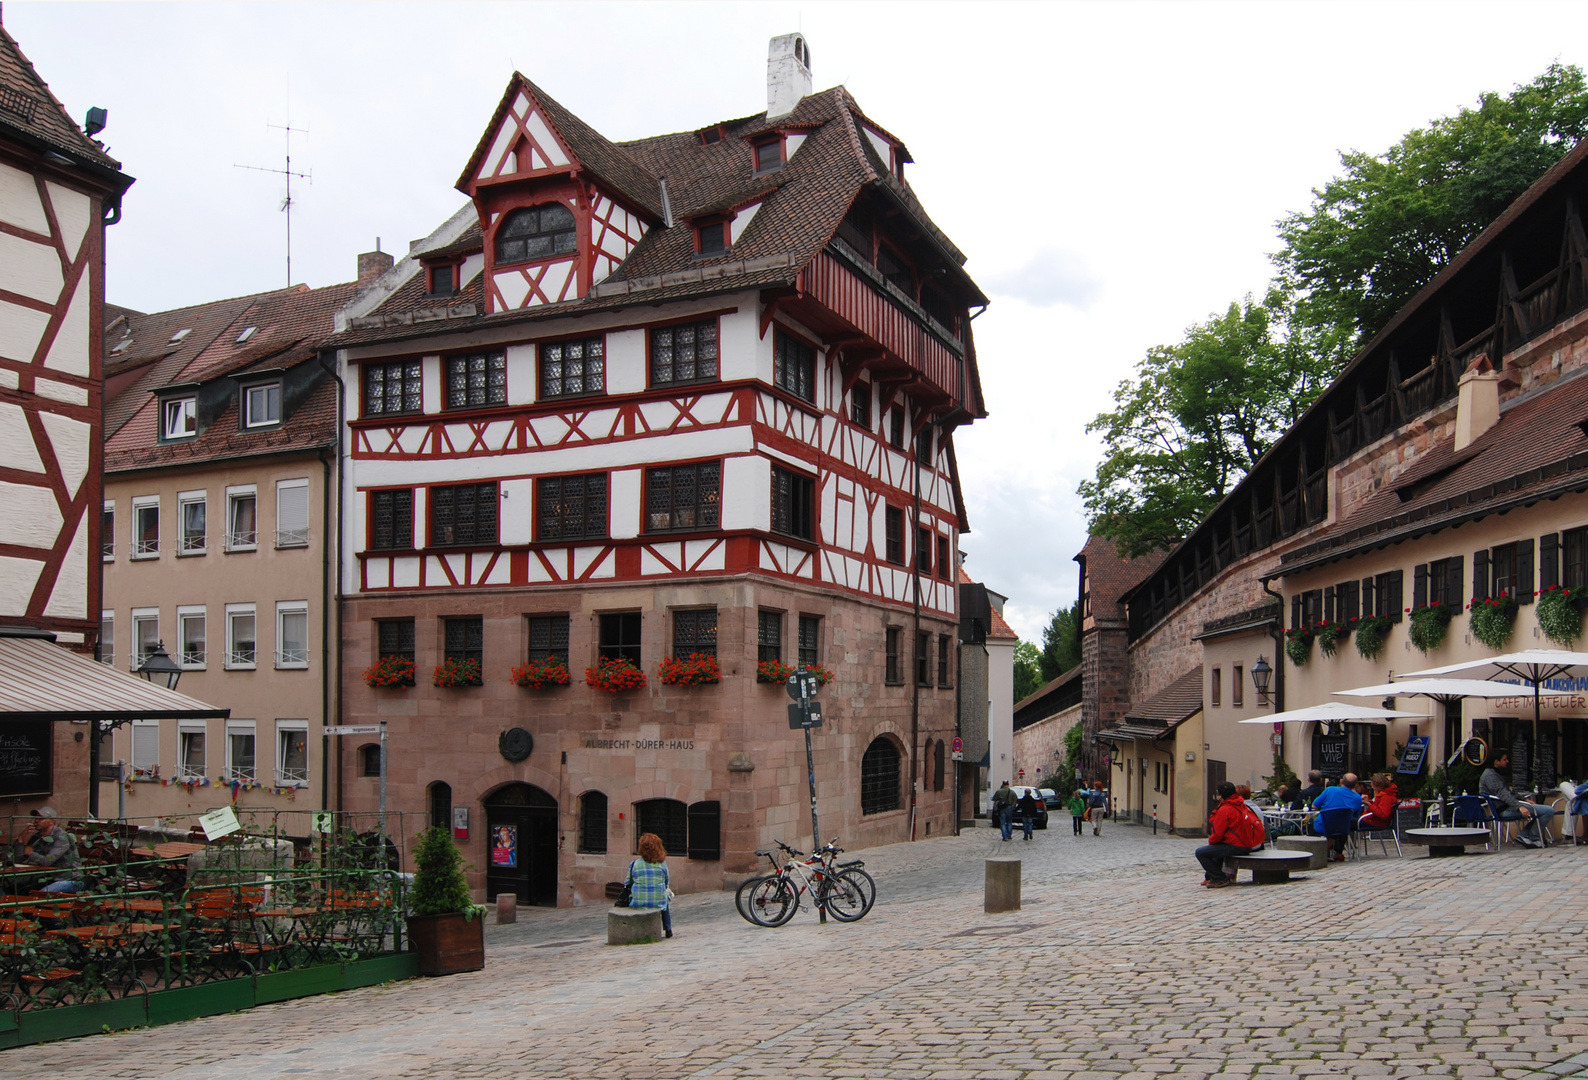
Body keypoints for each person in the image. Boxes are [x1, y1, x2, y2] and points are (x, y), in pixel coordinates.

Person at [1196, 781, 1265, 888]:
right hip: (1247, 844)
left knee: (1201, 852)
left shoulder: (1225, 809)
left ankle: (1220, 878)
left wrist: (1212, 843)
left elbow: (1218, 834)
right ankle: (1211, 877)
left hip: (1237, 845)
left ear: (1221, 795)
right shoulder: (1241, 804)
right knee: (1216, 850)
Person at [1481, 752, 1556, 848]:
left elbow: (1509, 792)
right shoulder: (1490, 776)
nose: (1507, 761)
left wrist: (1524, 799)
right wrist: (1520, 806)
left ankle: (1526, 836)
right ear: (1496, 762)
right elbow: (1503, 794)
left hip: (1508, 807)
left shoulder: (1494, 774)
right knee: (1548, 811)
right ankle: (1530, 836)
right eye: (1504, 759)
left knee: (1542, 810)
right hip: (1504, 810)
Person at [7, 807, 81, 893]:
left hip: (68, 879)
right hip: (48, 879)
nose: (36, 820)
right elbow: (18, 859)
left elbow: (47, 861)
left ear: (52, 821)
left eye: (41, 818)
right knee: (15, 889)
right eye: (36, 818)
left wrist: (31, 853)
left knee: (41, 894)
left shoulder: (62, 837)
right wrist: (21, 838)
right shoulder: (37, 837)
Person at [625, 832, 673, 938]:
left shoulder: (634, 864)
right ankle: (668, 928)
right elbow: (666, 883)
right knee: (664, 899)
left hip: (638, 900)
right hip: (658, 901)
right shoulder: (662, 864)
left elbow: (627, 882)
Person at [1311, 773, 1363, 861]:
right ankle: (1337, 852)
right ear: (1355, 785)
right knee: (1343, 822)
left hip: (1322, 826)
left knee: (1310, 823)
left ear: (1341, 781)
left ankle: (1316, 852)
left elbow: (1314, 805)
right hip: (1342, 829)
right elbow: (1356, 815)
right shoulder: (1357, 798)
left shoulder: (1330, 790)